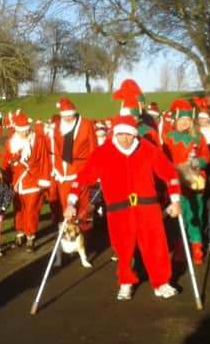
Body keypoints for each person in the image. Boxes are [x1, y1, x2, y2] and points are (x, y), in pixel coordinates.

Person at [64, 115, 182, 301]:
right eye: (121, 134)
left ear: (134, 134)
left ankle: (161, 282)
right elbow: (82, 179)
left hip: (147, 207)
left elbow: (170, 173)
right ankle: (126, 281)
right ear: (115, 134)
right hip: (119, 210)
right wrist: (71, 203)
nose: (125, 139)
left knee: (155, 245)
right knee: (123, 248)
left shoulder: (148, 149)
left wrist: (175, 200)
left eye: (128, 134)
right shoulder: (103, 153)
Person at [162, 99, 210, 265]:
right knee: (179, 216)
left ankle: (197, 249)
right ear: (176, 120)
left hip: (194, 182)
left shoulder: (198, 137)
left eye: (188, 120)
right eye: (182, 119)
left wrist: (197, 163)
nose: (185, 123)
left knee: (195, 215)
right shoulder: (168, 137)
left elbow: (206, 156)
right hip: (176, 183)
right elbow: (163, 159)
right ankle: (181, 249)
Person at [3, 111, 51, 251]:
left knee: (31, 209)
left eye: (26, 130)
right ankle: (20, 232)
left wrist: (43, 179)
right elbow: (6, 162)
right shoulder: (10, 143)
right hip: (17, 181)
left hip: (34, 180)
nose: (24, 133)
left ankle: (30, 235)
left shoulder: (39, 140)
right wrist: (4, 178)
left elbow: (44, 160)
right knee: (18, 209)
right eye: (21, 131)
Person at [48, 97, 98, 229]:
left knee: (82, 203)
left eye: (71, 115)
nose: (69, 118)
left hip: (82, 168)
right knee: (65, 203)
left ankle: (84, 233)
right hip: (63, 172)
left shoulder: (86, 125)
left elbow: (94, 147)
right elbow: (55, 150)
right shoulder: (58, 126)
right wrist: (56, 169)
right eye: (66, 116)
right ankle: (68, 232)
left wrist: (95, 169)